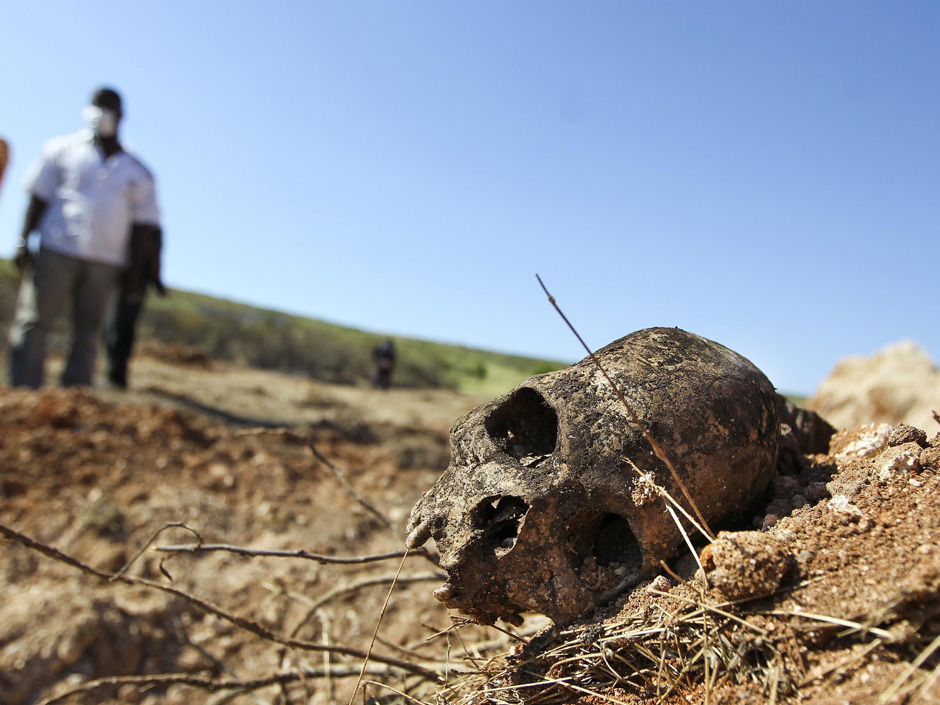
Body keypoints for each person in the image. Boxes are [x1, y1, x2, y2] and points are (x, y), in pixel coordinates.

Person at [9, 87, 161, 388]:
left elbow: (144, 226)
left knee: (88, 333)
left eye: (107, 108)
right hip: (57, 249)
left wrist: (134, 271)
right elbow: (38, 197)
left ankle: (73, 399)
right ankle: (23, 391)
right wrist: (24, 240)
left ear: (121, 115)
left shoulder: (138, 171)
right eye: (96, 106)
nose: (100, 114)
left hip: (106, 261)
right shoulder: (61, 150)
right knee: (35, 320)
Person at [104, 224, 166, 388]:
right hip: (121, 278)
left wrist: (154, 279)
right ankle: (114, 374)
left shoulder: (151, 228)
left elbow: (155, 254)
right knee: (116, 329)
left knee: (122, 330)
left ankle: (117, 376)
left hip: (135, 284)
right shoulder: (129, 221)